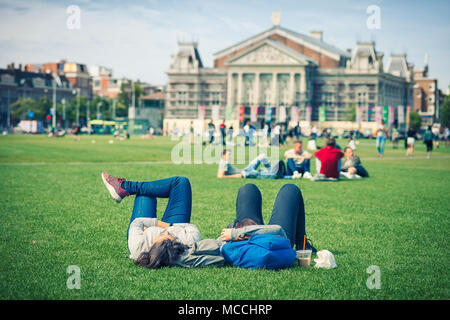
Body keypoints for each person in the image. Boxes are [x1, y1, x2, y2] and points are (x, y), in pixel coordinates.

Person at [101, 173, 208, 269]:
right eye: (171, 238)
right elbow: (191, 227)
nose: (165, 232)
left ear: (154, 245)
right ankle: (123, 187)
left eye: (162, 236)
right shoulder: (188, 242)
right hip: (171, 226)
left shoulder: (139, 246)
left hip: (165, 227)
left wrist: (160, 227)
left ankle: (125, 187)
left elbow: (137, 223)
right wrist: (165, 226)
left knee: (145, 194)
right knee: (181, 183)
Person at [221, 183, 316, 253]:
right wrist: (236, 232)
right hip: (275, 241)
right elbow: (277, 229)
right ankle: (302, 245)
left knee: (248, 188)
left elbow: (221, 241)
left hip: (244, 240)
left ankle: (303, 244)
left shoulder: (225, 251)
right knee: (290, 189)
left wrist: (234, 232)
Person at [217, 149, 285, 179]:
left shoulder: (224, 161)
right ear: (223, 155)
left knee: (262, 156)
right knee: (260, 173)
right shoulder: (223, 163)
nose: (230, 156)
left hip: (245, 170)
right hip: (245, 173)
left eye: (230, 154)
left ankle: (271, 170)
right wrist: (236, 176)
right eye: (228, 154)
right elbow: (220, 176)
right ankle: (275, 173)